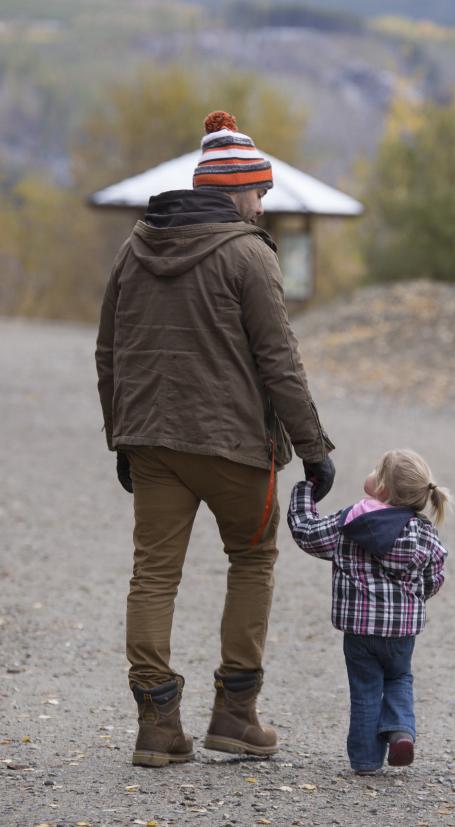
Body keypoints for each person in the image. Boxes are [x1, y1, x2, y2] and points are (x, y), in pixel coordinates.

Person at [95, 110, 335, 768]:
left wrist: (122, 436)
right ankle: (235, 715)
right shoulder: (248, 254)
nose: (263, 206)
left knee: (153, 575)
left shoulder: (134, 248)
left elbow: (109, 352)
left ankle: (157, 725)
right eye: (260, 192)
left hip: (152, 444)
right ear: (238, 193)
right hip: (234, 448)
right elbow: (279, 362)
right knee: (252, 560)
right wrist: (314, 449)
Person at [287, 448, 451, 774]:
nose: (371, 471)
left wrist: (303, 492)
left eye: (377, 469)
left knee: (365, 689)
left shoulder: (354, 520)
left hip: (359, 630)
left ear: (383, 490)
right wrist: (415, 601)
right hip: (402, 631)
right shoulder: (424, 532)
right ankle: (402, 731)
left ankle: (365, 760)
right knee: (399, 677)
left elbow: (307, 532)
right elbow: (435, 575)